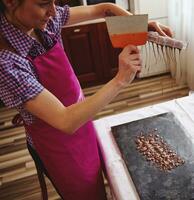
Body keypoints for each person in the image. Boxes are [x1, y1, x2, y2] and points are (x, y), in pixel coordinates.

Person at [0, 0, 173, 199]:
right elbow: (65, 120)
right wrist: (120, 80)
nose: (54, 11)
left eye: (55, 1)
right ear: (10, 2)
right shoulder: (6, 62)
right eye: (44, 3)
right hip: (59, 144)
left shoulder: (45, 23)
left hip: (83, 118)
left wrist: (138, 25)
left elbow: (103, 9)